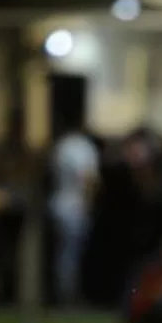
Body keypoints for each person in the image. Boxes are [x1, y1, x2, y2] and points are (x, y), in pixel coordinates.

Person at [49, 126, 99, 306]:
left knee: (64, 252)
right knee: (72, 254)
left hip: (58, 202)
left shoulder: (62, 145)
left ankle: (64, 293)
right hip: (75, 205)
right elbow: (88, 179)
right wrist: (90, 204)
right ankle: (69, 295)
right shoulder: (83, 147)